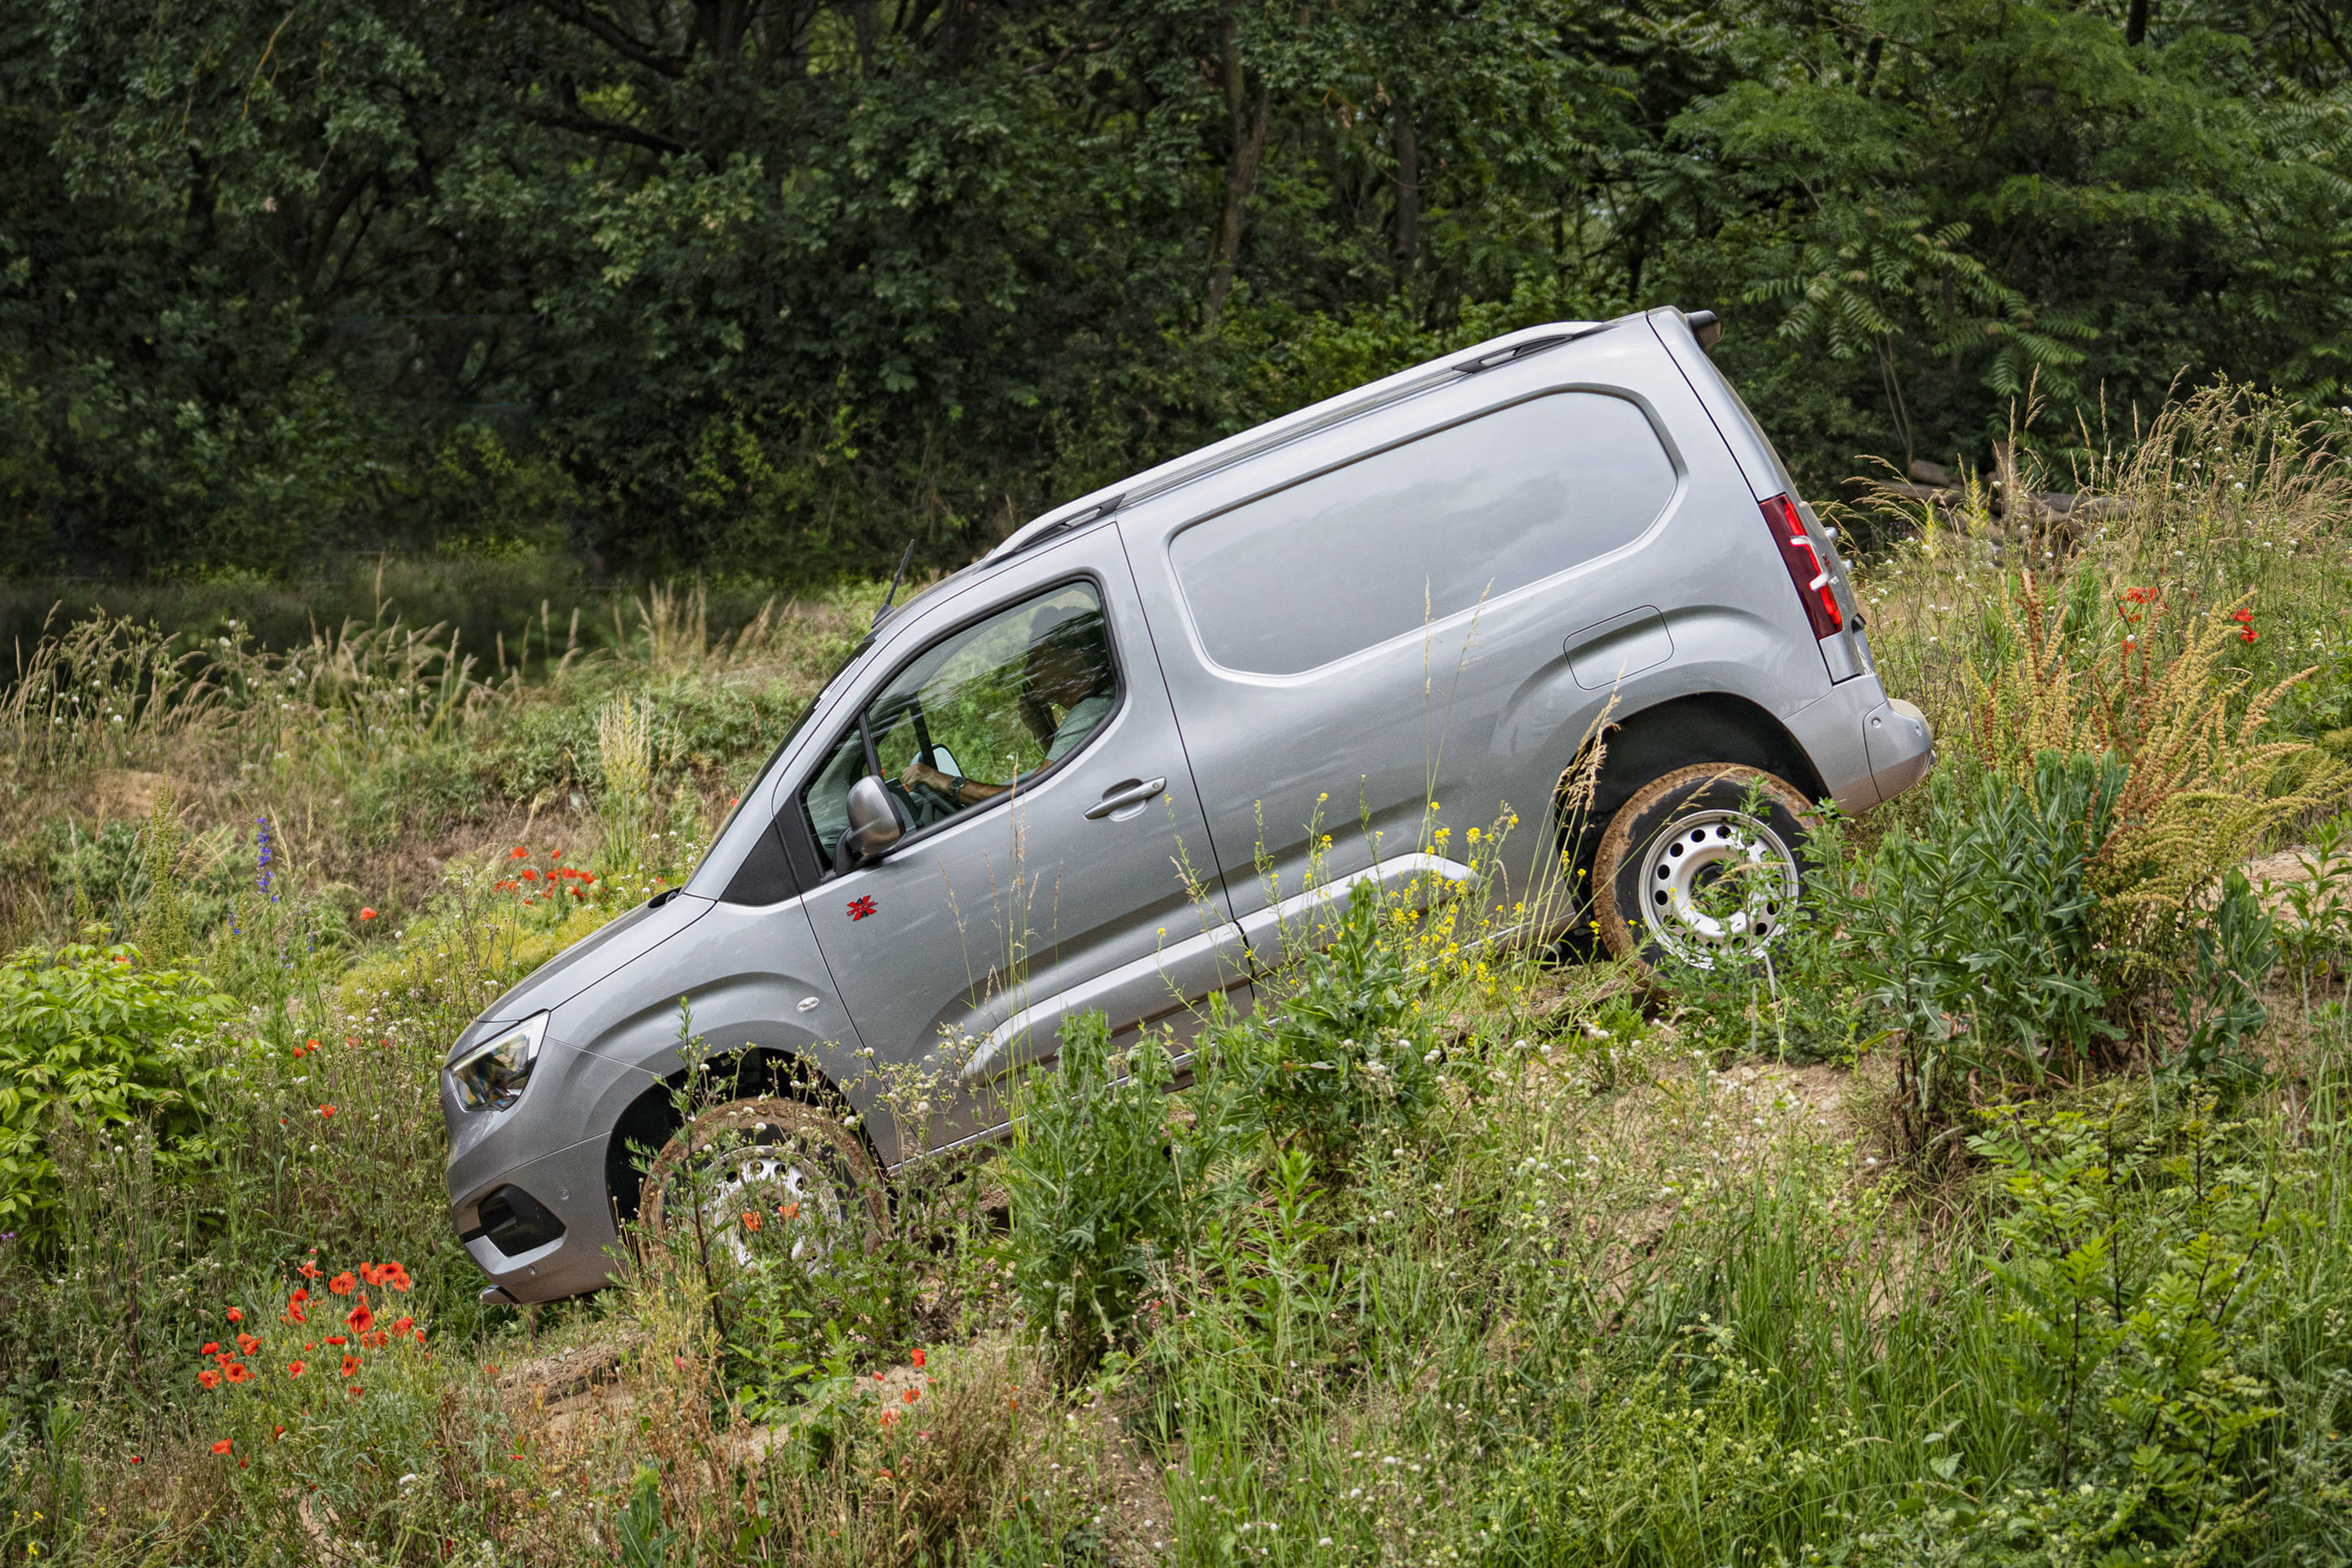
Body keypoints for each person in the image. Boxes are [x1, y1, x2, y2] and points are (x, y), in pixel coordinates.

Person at [897, 611, 1114, 808]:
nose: (1028, 670)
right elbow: (1059, 778)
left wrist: (942, 780)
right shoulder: (1097, 704)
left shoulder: (1090, 713)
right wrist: (1045, 730)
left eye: (1038, 660)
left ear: (1074, 662)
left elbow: (1031, 797)